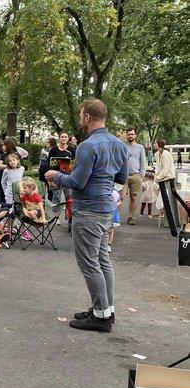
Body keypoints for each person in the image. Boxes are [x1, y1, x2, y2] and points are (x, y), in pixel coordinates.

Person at [45, 98, 128, 333]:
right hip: (105, 210)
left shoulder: (87, 146)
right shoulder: (118, 144)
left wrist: (55, 176)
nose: (81, 119)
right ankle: (105, 309)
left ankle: (100, 316)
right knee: (102, 261)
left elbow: (77, 182)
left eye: (82, 115)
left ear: (88, 117)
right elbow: (122, 178)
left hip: (88, 210)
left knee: (90, 263)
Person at [48, 131, 75, 219]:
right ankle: (56, 217)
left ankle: (69, 215)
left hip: (68, 177)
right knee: (56, 197)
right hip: (56, 176)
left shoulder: (71, 150)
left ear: (68, 139)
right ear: (59, 138)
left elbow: (74, 163)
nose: (63, 138)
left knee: (69, 197)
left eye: (65, 137)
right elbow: (50, 164)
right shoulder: (53, 150)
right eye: (62, 137)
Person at [123, 128, 146, 225]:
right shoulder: (123, 146)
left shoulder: (140, 147)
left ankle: (130, 217)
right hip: (124, 175)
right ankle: (114, 218)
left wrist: (141, 174)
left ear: (135, 136)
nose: (130, 136)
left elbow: (143, 162)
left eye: (132, 134)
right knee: (120, 196)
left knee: (133, 197)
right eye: (128, 134)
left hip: (136, 175)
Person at [154, 139, 177, 236]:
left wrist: (158, 177)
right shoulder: (157, 154)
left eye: (155, 143)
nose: (154, 145)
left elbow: (166, 169)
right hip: (162, 179)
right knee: (164, 200)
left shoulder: (166, 154)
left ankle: (173, 226)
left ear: (159, 144)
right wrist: (157, 175)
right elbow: (159, 168)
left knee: (169, 202)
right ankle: (169, 222)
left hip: (168, 179)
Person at [108, 187, 122, 253]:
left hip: (110, 213)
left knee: (110, 229)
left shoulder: (114, 191)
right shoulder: (115, 191)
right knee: (110, 229)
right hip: (111, 212)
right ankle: (108, 244)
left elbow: (119, 202)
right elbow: (119, 202)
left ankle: (108, 244)